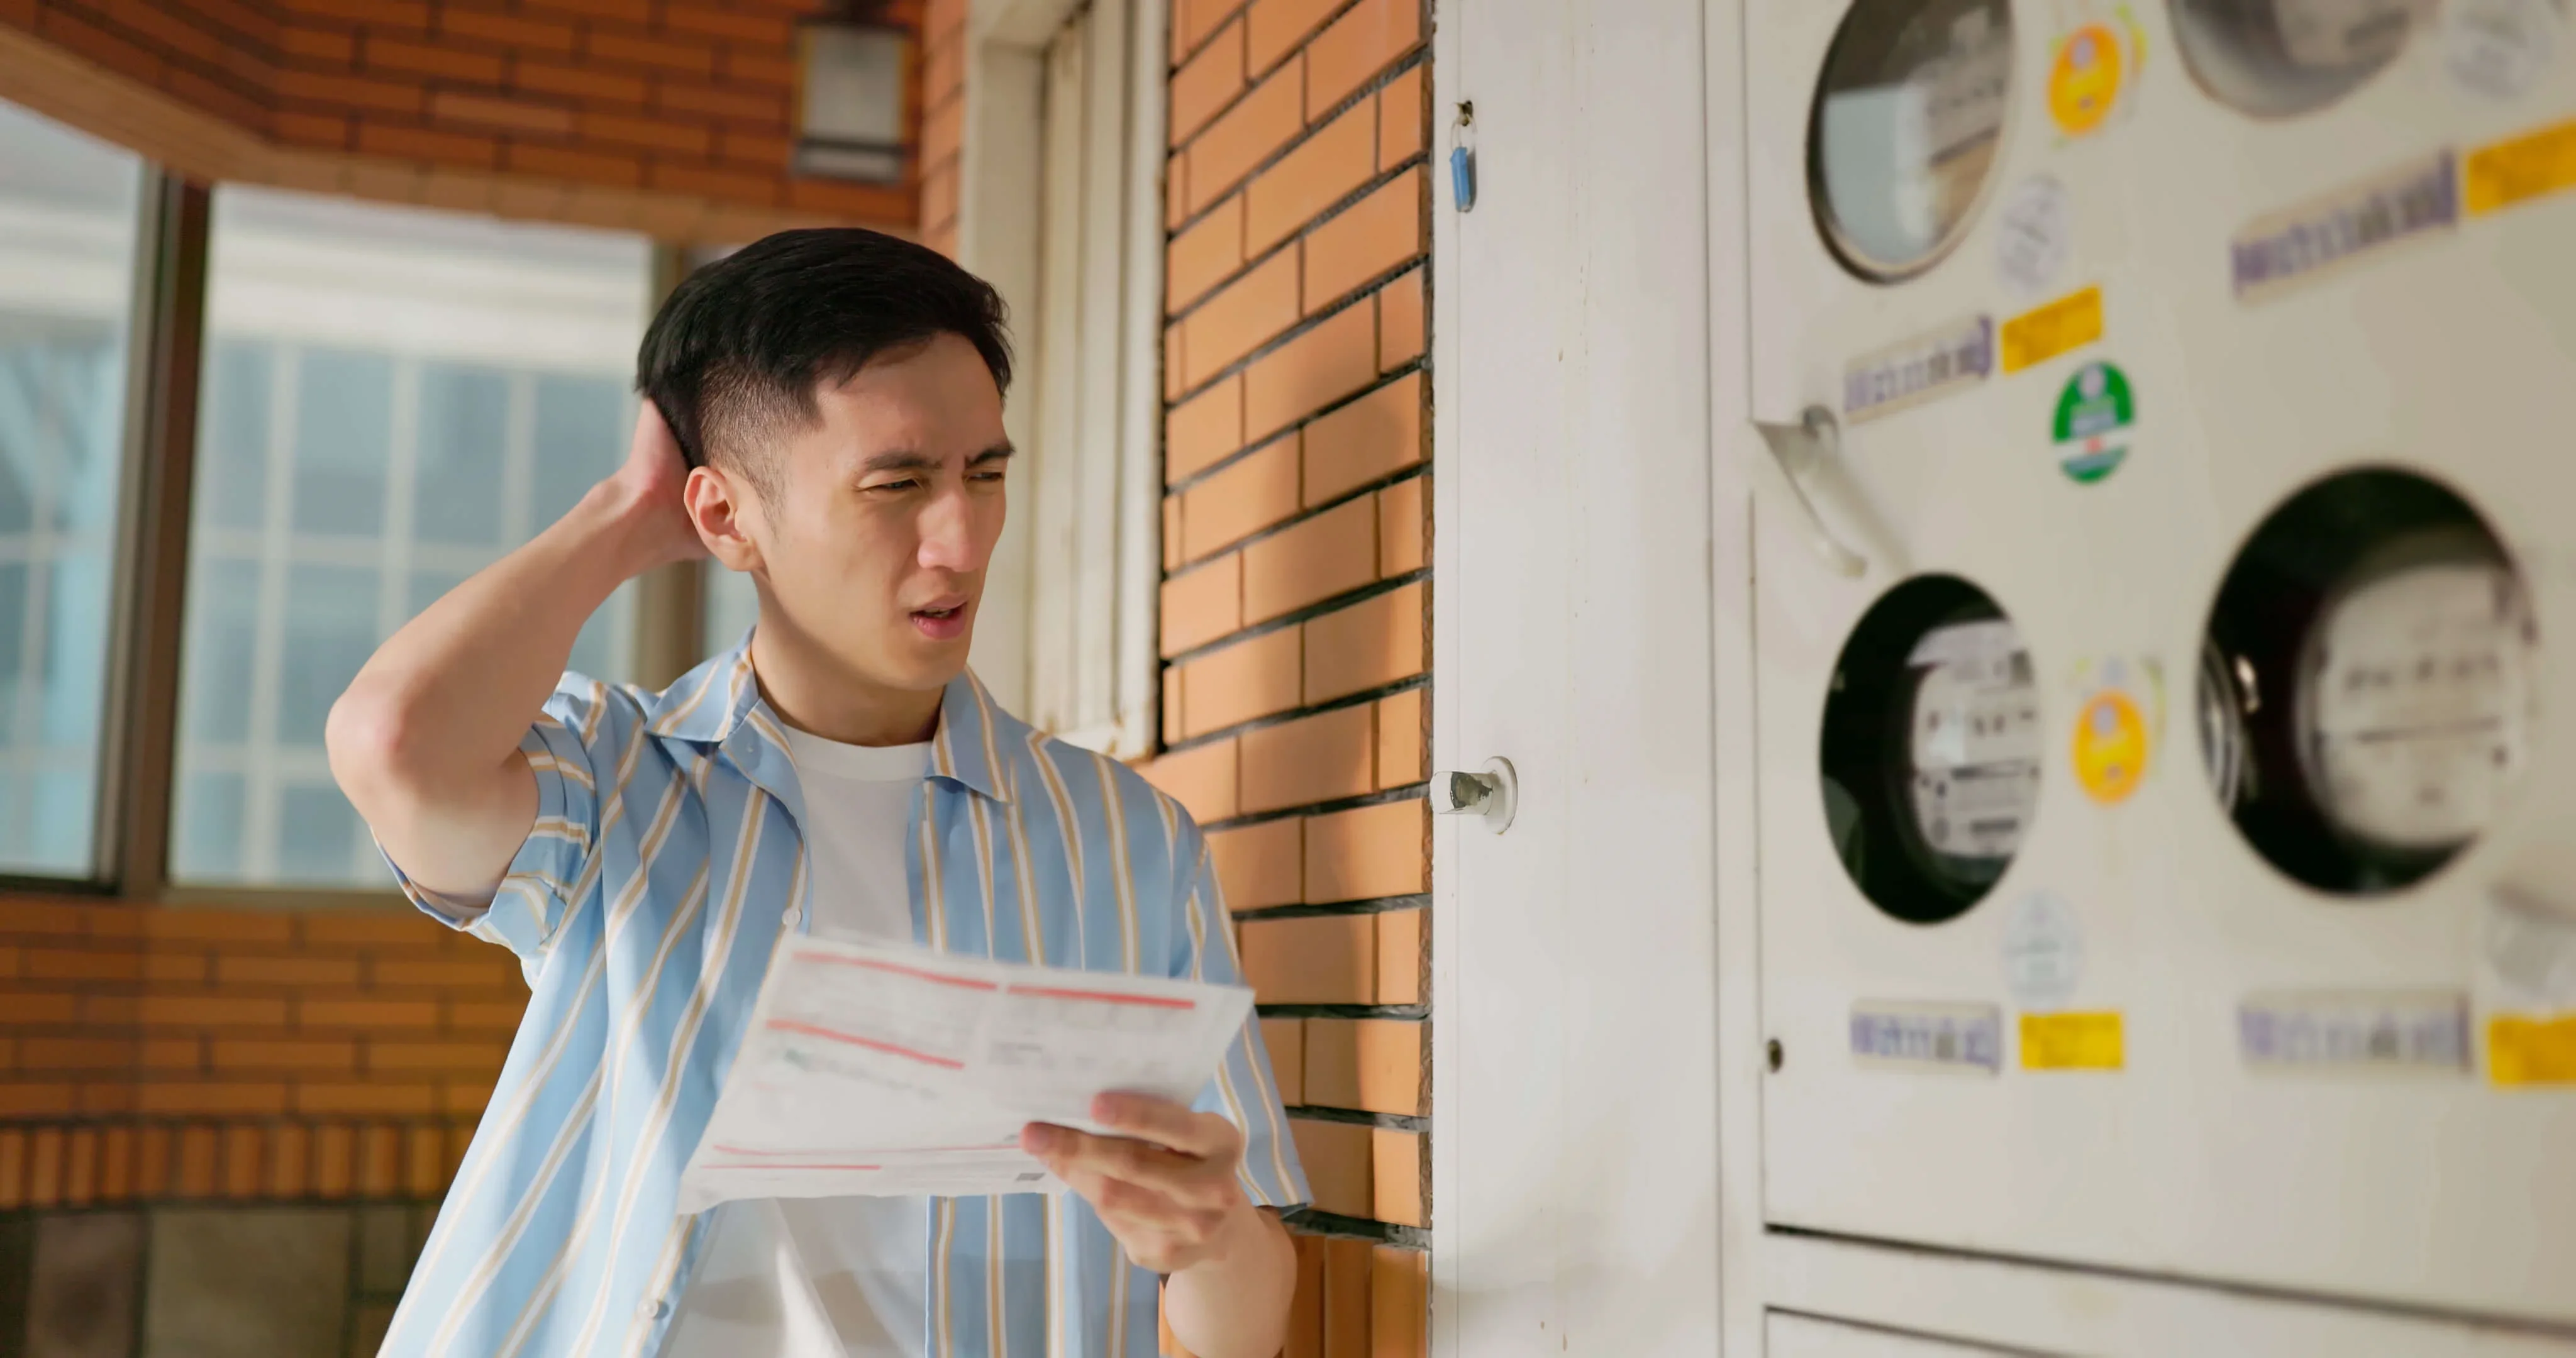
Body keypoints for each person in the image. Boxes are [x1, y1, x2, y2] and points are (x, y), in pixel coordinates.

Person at [326, 228, 1306, 1358]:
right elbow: (395, 743)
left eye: (987, 474)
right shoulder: (619, 787)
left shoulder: (1129, 846)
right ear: (725, 517)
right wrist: (625, 514)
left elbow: (1244, 1314)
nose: (965, 539)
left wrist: (1213, 1236)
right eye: (898, 485)